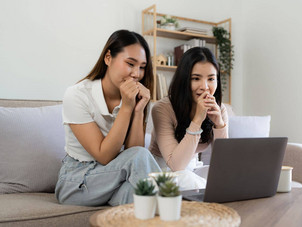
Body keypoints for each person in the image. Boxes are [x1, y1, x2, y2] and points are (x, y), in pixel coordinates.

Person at [55, 30, 161, 206]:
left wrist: (137, 111)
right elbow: (104, 156)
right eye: (130, 64)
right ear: (108, 58)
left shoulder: (133, 97)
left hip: (113, 178)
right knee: (142, 162)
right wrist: (127, 107)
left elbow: (132, 152)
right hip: (76, 182)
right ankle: (176, 209)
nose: (136, 73)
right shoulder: (76, 95)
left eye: (142, 67)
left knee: (138, 198)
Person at [149, 47, 228, 190]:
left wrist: (219, 125)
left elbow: (224, 162)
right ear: (184, 79)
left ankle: (213, 189)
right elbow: (176, 165)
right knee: (188, 179)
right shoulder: (162, 108)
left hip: (191, 169)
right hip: (162, 171)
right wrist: (197, 120)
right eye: (196, 78)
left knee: (224, 174)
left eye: (211, 79)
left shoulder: (219, 109)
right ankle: (214, 189)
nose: (205, 87)